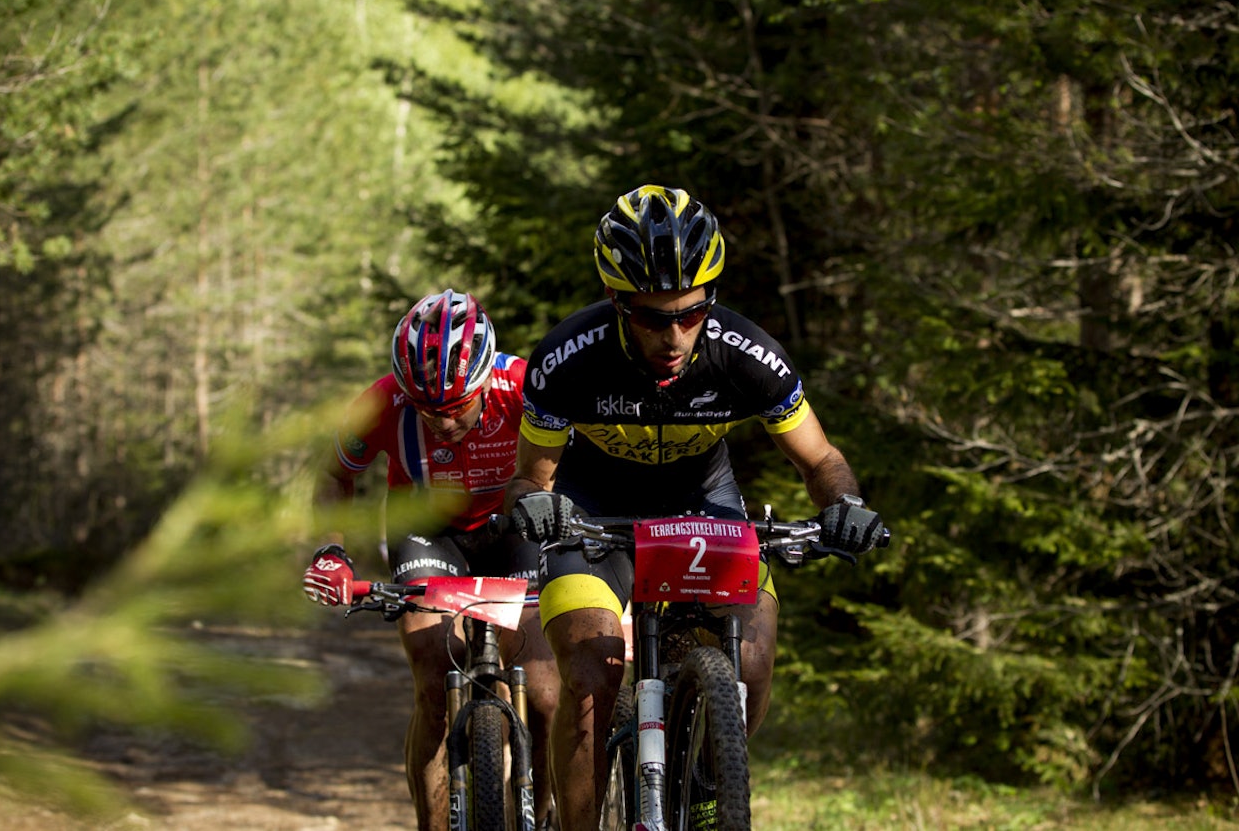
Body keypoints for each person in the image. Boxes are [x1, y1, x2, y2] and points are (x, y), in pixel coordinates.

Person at [503, 185, 889, 829]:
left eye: (691, 313)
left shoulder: (746, 353)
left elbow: (819, 460)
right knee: (591, 677)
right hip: (592, 507)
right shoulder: (567, 359)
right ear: (617, 303)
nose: (675, 335)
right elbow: (530, 480)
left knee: (754, 660)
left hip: (703, 502)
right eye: (653, 317)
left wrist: (845, 503)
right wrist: (535, 507)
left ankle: (708, 788)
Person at [302, 289, 560, 831]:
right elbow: (333, 475)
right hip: (428, 537)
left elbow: (582, 457)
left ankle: (546, 811)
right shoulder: (382, 404)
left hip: (512, 531)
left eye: (455, 407)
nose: (442, 424)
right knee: (434, 679)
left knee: (544, 692)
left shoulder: (524, 385)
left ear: (486, 377)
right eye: (427, 410)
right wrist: (330, 551)